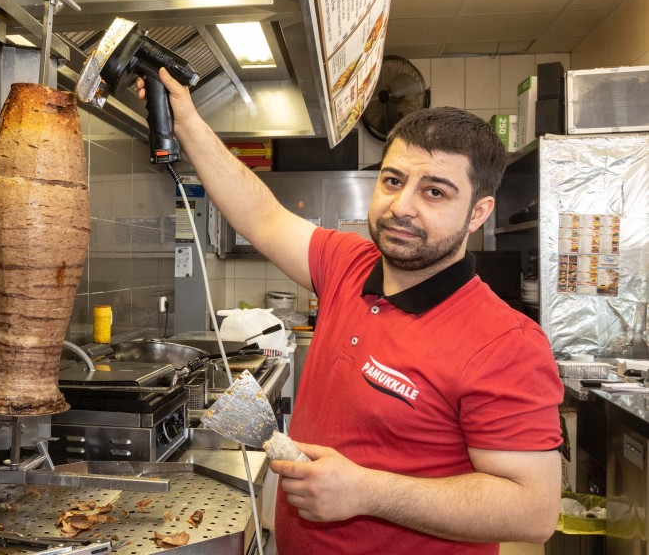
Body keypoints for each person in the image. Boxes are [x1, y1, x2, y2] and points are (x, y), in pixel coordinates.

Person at [136, 69, 564, 554]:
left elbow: (533, 510)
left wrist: (367, 492)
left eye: (435, 192)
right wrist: (188, 121)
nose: (401, 206)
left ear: (479, 213)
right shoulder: (347, 263)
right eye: (393, 180)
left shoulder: (504, 341)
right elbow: (262, 215)